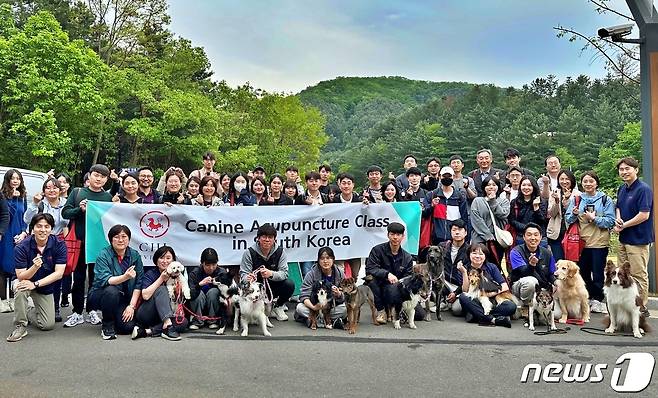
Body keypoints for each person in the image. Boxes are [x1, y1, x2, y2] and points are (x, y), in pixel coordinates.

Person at [62, 164, 113, 328]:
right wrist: (79, 209)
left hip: (98, 244)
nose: (99, 179)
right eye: (96, 175)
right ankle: (77, 312)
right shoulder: (77, 192)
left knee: (96, 279)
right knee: (77, 279)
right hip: (79, 242)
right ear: (89, 176)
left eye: (103, 176)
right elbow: (65, 212)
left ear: (106, 180)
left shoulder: (107, 197)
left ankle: (92, 309)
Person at [6, 214, 66, 342]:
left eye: (46, 226)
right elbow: (21, 276)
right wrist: (34, 267)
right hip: (25, 280)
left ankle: (27, 311)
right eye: (39, 226)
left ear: (51, 229)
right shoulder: (22, 247)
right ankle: (20, 325)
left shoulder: (59, 244)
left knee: (47, 325)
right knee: (20, 288)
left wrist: (36, 284)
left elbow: (59, 273)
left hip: (43, 284)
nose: (43, 230)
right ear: (33, 228)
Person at [564, 171, 615, 314]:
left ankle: (597, 299)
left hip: (599, 242)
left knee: (598, 273)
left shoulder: (605, 199)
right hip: (581, 243)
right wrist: (573, 214)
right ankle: (586, 297)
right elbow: (568, 219)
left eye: (591, 181)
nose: (588, 184)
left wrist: (594, 219)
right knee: (583, 272)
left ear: (596, 183)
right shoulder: (577, 199)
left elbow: (610, 221)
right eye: (585, 181)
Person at [87, 225, 144, 340]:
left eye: (124, 236)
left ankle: (115, 318)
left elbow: (139, 283)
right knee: (111, 291)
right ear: (111, 239)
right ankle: (107, 324)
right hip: (101, 294)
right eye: (117, 237)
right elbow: (107, 280)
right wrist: (125, 277)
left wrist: (131, 307)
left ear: (129, 239)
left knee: (126, 328)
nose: (121, 240)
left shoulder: (135, 255)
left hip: (123, 298)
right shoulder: (104, 254)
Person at [613, 157, 654, 318]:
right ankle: (626, 305)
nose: (624, 172)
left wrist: (624, 225)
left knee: (638, 275)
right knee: (622, 274)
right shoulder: (622, 189)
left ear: (636, 170)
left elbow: (644, 215)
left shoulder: (643, 189)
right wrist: (618, 219)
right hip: (624, 239)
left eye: (627, 169)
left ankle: (641, 307)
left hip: (639, 239)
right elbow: (618, 207)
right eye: (621, 169)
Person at [23, 178, 68, 321]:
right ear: (44, 191)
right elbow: (28, 220)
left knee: (57, 276)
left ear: (60, 190)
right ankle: (35, 305)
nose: (51, 190)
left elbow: (68, 222)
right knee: (38, 271)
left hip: (58, 242)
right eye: (48, 188)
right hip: (39, 242)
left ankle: (55, 307)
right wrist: (35, 203)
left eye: (55, 187)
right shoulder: (41, 204)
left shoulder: (66, 204)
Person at [364, 222, 427, 324]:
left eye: (398, 235)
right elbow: (370, 268)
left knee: (420, 315)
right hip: (381, 285)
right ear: (388, 235)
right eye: (392, 234)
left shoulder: (407, 257)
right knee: (371, 280)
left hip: (398, 289)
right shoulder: (377, 250)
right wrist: (387, 274)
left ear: (403, 236)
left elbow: (408, 278)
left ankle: (398, 311)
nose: (395, 237)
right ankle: (381, 311)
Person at [240, 223, 294, 321]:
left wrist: (271, 274)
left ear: (274, 239)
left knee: (289, 284)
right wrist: (247, 278)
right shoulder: (249, 253)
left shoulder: (281, 252)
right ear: (258, 238)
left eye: (270, 237)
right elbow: (243, 274)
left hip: (273, 285)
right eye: (264, 237)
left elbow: (284, 273)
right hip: (256, 288)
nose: (267, 240)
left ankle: (278, 306)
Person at [133, 245, 186, 341]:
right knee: (162, 289)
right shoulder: (150, 274)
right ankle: (167, 325)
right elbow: (145, 296)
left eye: (168, 258)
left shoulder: (178, 275)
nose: (165, 261)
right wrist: (161, 278)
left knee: (183, 322)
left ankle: (147, 332)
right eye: (161, 258)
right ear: (156, 261)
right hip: (147, 313)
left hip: (167, 314)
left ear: (173, 260)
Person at [457, 243, 515, 327]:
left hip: (491, 301)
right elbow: (465, 291)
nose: (477, 256)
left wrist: (488, 294)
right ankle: (493, 320)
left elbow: (505, 286)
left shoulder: (492, 267)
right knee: (463, 297)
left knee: (511, 306)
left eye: (481, 254)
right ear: (469, 254)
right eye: (474, 253)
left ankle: (477, 315)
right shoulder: (464, 268)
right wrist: (464, 273)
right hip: (474, 300)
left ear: (485, 256)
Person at [509, 223, 556, 317]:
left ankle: (538, 309)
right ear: (524, 237)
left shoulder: (547, 253)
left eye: (536, 234)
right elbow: (523, 273)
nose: (533, 238)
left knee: (557, 314)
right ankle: (527, 306)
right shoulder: (516, 251)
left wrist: (556, 284)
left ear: (541, 237)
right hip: (520, 287)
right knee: (531, 281)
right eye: (529, 235)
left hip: (542, 290)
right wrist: (531, 265)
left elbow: (551, 274)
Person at [294, 247, 347, 329]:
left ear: (333, 259)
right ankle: (329, 321)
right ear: (318, 261)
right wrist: (314, 307)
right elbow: (304, 296)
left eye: (328, 258)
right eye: (322, 258)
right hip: (314, 307)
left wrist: (339, 294)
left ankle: (315, 320)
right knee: (300, 308)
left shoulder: (339, 273)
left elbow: (345, 294)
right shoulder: (311, 274)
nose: (325, 261)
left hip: (331, 307)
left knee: (344, 309)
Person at [0, 169, 28, 313]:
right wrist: (12, 197)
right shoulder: (2, 195)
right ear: (8, 180)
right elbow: (6, 214)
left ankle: (14, 299)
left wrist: (24, 232)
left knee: (17, 267)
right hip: (5, 234)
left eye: (18, 178)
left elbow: (25, 216)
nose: (15, 181)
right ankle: (4, 301)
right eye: (13, 178)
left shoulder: (23, 196)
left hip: (19, 234)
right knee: (4, 266)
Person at [422, 166, 470, 245]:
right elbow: (424, 214)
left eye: (449, 176)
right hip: (435, 239)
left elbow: (464, 218)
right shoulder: (432, 195)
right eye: (444, 176)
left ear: (453, 177)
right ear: (440, 177)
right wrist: (432, 206)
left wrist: (465, 237)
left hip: (455, 239)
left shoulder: (459, 196)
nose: (447, 178)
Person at [470, 176, 510, 267]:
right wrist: (488, 235)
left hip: (498, 239)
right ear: (484, 187)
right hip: (480, 238)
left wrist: (493, 201)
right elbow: (477, 220)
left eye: (494, 185)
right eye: (488, 185)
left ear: (498, 187)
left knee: (495, 264)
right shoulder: (477, 201)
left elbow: (503, 214)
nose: (491, 187)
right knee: (477, 265)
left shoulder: (503, 201)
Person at [187, 248, 229, 330]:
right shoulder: (194, 273)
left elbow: (227, 291)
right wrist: (199, 284)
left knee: (213, 291)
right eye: (208, 265)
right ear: (202, 263)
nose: (211, 268)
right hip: (198, 305)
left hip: (215, 305)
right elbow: (190, 294)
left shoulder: (222, 272)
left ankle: (212, 320)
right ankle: (197, 321)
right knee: (198, 294)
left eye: (214, 264)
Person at [439, 219, 470, 316]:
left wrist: (456, 293)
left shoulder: (470, 251)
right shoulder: (442, 247)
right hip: (445, 283)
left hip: (461, 286)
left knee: (457, 310)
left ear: (465, 233)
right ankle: (443, 299)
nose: (457, 232)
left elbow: (470, 276)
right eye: (454, 230)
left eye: (460, 230)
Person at [546, 170, 578, 261]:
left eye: (567, 179)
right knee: (559, 261)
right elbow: (551, 213)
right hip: (556, 233)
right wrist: (556, 202)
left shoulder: (578, 194)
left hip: (572, 232)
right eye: (561, 179)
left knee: (571, 262)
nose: (564, 181)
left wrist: (567, 200)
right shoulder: (554, 192)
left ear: (572, 180)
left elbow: (574, 214)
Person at [508, 176, 547, 247]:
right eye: (524, 185)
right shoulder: (515, 202)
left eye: (529, 185)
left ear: (534, 187)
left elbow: (543, 220)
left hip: (539, 238)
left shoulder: (541, 201)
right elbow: (512, 220)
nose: (526, 188)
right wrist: (527, 228)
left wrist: (536, 208)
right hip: (521, 237)